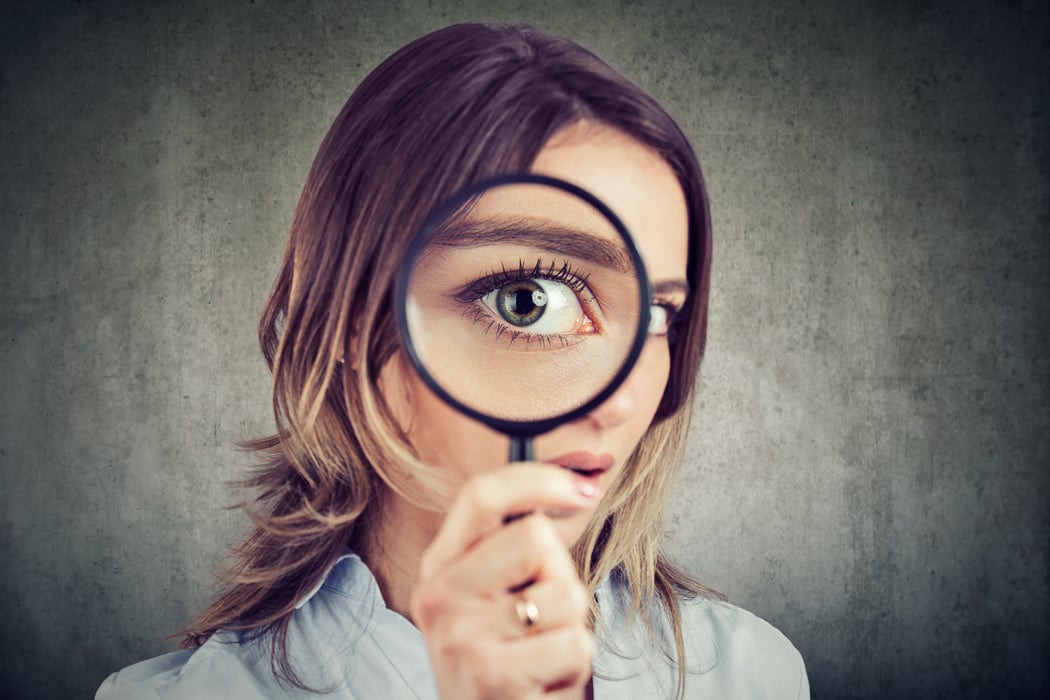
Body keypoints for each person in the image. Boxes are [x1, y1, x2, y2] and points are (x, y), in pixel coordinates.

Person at [97, 22, 808, 699]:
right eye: (529, 300)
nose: (623, 401)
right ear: (352, 317)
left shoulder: (747, 676)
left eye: (657, 316)